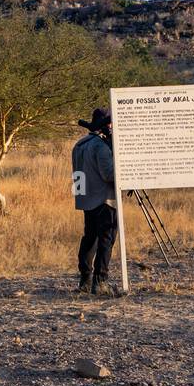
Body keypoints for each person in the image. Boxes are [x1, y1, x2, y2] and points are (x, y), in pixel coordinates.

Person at [72, 108, 117, 296]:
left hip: (86, 198)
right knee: (106, 239)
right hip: (103, 199)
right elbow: (109, 175)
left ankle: (85, 280)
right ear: (106, 125)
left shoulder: (79, 144)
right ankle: (100, 282)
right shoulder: (100, 146)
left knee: (89, 238)